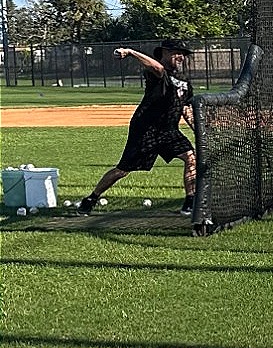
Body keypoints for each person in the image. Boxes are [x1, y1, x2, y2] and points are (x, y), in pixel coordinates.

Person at [78, 40, 198, 216]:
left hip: (168, 131)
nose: (180, 57)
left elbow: (186, 107)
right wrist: (131, 52)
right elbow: (157, 68)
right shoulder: (157, 73)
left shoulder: (185, 81)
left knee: (191, 158)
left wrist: (197, 129)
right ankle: (91, 198)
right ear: (164, 53)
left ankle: (190, 202)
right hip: (146, 130)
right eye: (176, 53)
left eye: (182, 54)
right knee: (123, 170)